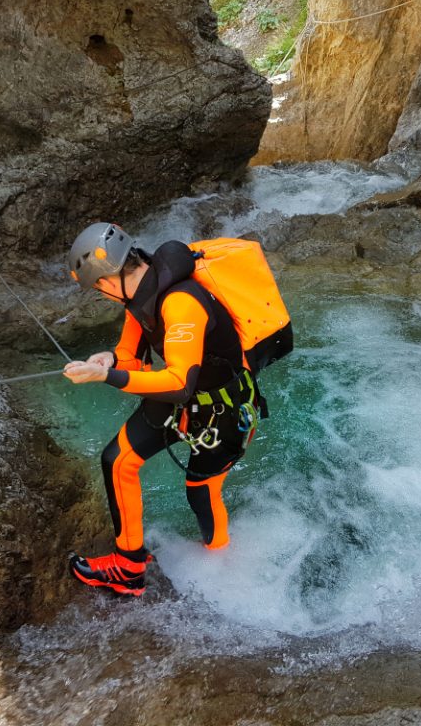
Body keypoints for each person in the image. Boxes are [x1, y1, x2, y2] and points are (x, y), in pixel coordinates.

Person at [63, 223, 261, 597]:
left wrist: (106, 376)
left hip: (224, 409)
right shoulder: (138, 298)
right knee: (117, 460)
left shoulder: (180, 301)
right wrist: (109, 359)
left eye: (98, 288)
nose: (102, 296)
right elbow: (131, 357)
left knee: (200, 492)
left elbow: (177, 382)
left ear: (109, 279)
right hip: (182, 402)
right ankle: (127, 565)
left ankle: (221, 565)